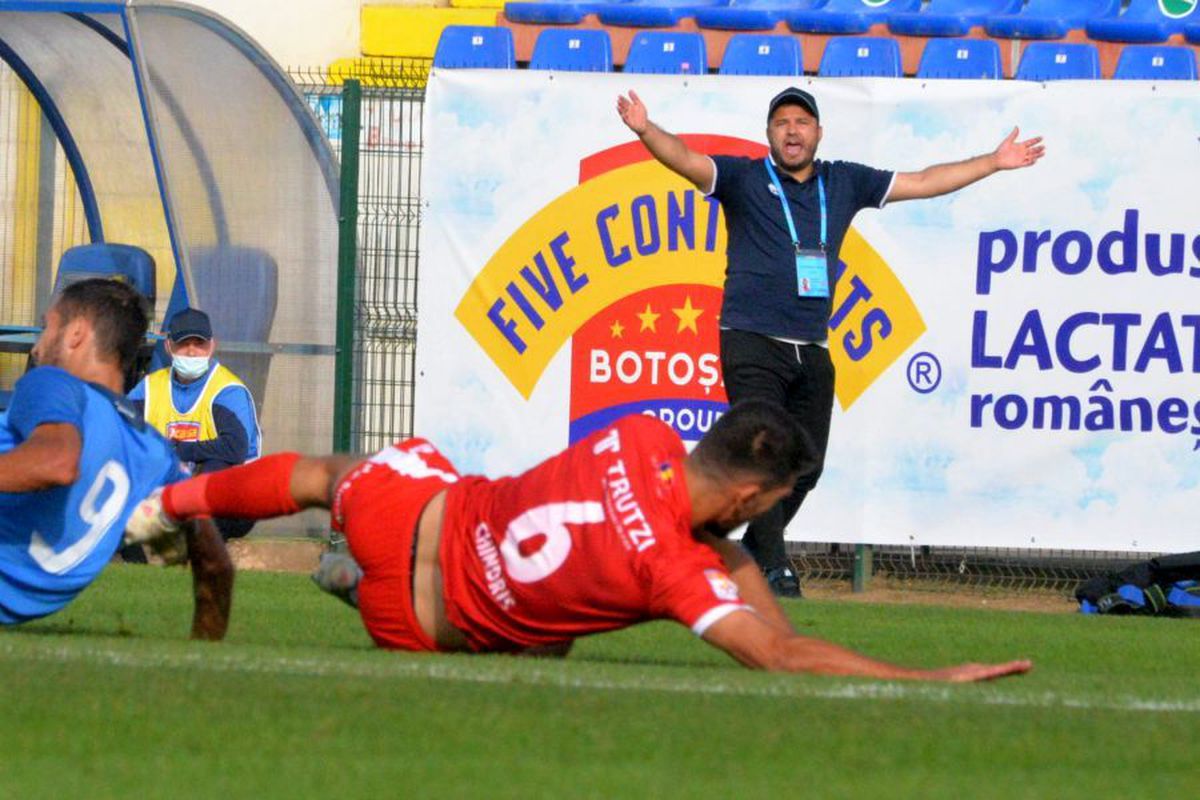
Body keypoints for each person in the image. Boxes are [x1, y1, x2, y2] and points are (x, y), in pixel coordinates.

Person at [126, 401, 1029, 680]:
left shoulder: (637, 432)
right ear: (753, 494)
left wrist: (727, 545)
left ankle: (170, 501)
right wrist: (923, 679)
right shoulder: (675, 571)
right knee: (552, 632)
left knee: (334, 472)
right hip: (417, 624)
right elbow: (779, 652)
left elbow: (689, 516)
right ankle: (347, 580)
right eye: (769, 504)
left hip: (415, 516)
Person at [615, 87, 1046, 597]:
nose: (792, 130)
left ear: (818, 132)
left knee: (807, 465)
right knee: (764, 455)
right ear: (768, 133)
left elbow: (925, 181)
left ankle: (747, 550)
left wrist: (993, 162)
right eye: (781, 122)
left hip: (812, 349)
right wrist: (647, 129)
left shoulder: (843, 181)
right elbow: (685, 159)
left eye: (802, 121)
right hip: (751, 340)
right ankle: (774, 570)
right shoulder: (745, 178)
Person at [0, 278, 232, 638]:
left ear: (76, 333)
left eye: (48, 328)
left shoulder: (56, 384)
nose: (37, 348)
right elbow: (216, 563)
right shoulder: (156, 454)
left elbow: (56, 463)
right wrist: (205, 645)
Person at [128, 307, 261, 543]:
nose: (191, 351)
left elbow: (235, 448)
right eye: (183, 343)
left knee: (217, 464)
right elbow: (121, 430)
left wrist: (178, 450)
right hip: (171, 487)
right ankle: (136, 560)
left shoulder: (227, 390)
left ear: (211, 345)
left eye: (198, 343)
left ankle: (202, 552)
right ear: (168, 346)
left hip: (235, 498)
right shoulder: (150, 387)